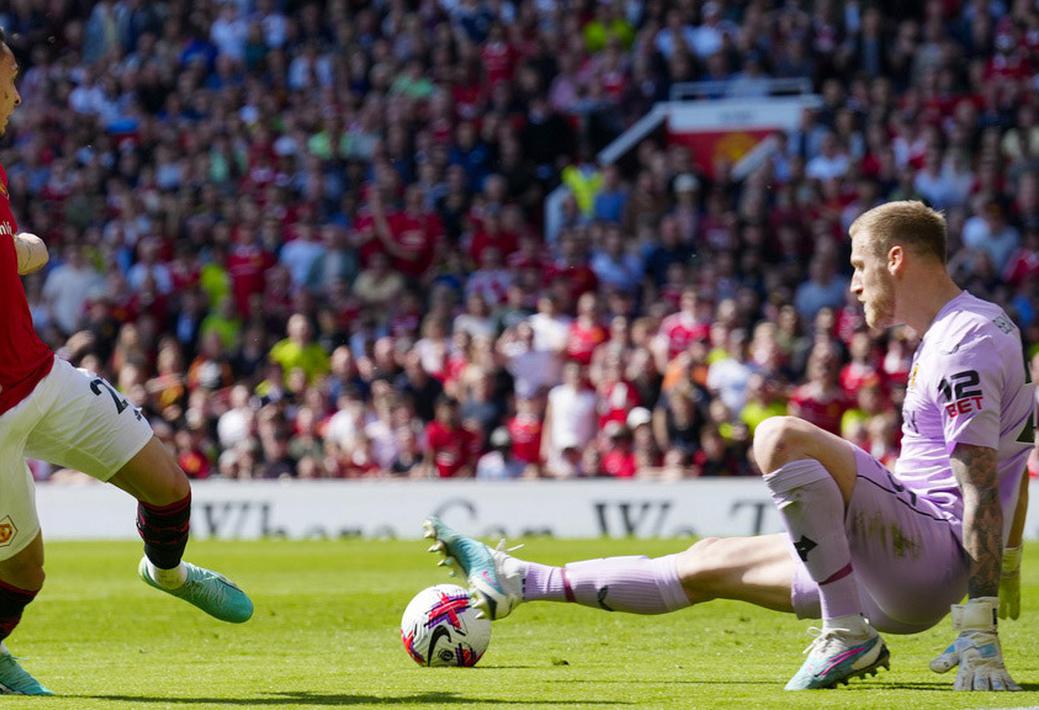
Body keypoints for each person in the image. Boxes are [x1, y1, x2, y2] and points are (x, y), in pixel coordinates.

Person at [423, 201, 1033, 692]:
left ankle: (844, 632)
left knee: (779, 435)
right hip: (904, 566)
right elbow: (1017, 462)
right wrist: (1002, 572)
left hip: (923, 554)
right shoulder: (974, 327)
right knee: (707, 560)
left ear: (895, 259)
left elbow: (981, 479)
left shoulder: (963, 342)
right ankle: (519, 579)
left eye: (858, 266)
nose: (851, 285)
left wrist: (979, 622)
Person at [0, 16, 252, 696]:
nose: (18, 98)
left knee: (170, 486)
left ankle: (169, 573)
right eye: (13, 82)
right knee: (21, 573)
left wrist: (21, 248)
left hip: (37, 376)